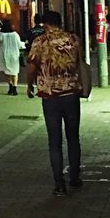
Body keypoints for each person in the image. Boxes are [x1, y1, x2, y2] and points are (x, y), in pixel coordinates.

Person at [27, 11, 83, 196]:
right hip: (71, 93)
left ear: (45, 24)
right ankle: (75, 177)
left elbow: (32, 66)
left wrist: (29, 85)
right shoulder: (73, 39)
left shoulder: (40, 42)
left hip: (50, 96)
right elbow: (78, 62)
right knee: (73, 137)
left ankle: (59, 183)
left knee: (54, 141)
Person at [0, 20, 25, 96]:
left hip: (4, 55)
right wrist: (25, 44)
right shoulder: (15, 34)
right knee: (15, 72)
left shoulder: (1, 34)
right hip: (14, 55)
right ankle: (15, 88)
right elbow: (20, 45)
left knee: (6, 72)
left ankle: (10, 86)